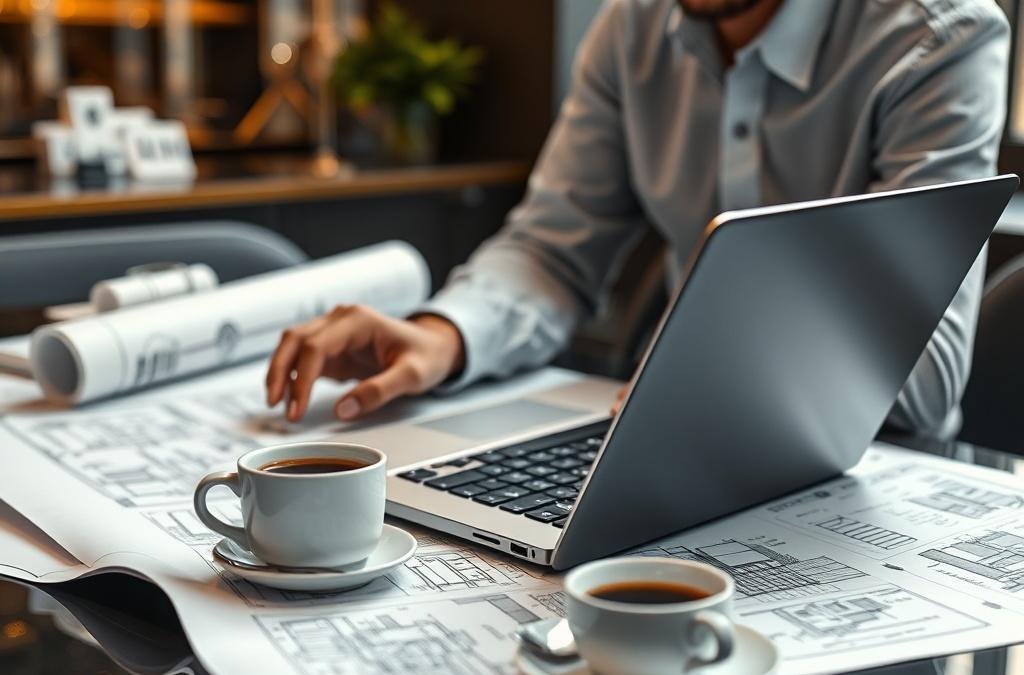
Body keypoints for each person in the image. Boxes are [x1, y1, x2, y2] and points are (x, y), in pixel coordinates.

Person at [266, 0, 1009, 438]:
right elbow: (552, 252)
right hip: (672, 447)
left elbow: (921, 380)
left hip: (882, 485)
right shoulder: (632, 29)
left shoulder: (938, 38)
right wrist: (442, 336)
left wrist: (715, 375)